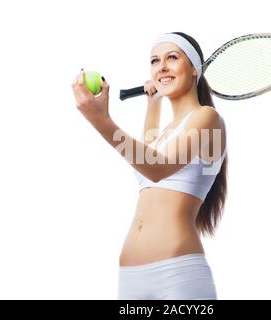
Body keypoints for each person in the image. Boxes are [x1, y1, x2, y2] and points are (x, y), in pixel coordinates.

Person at [71, 32, 228, 300]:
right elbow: (147, 154)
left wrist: (101, 121)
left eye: (172, 58)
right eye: (155, 61)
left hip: (178, 275)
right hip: (131, 278)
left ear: (193, 69)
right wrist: (153, 103)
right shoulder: (167, 132)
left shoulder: (207, 118)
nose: (161, 67)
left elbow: (156, 168)